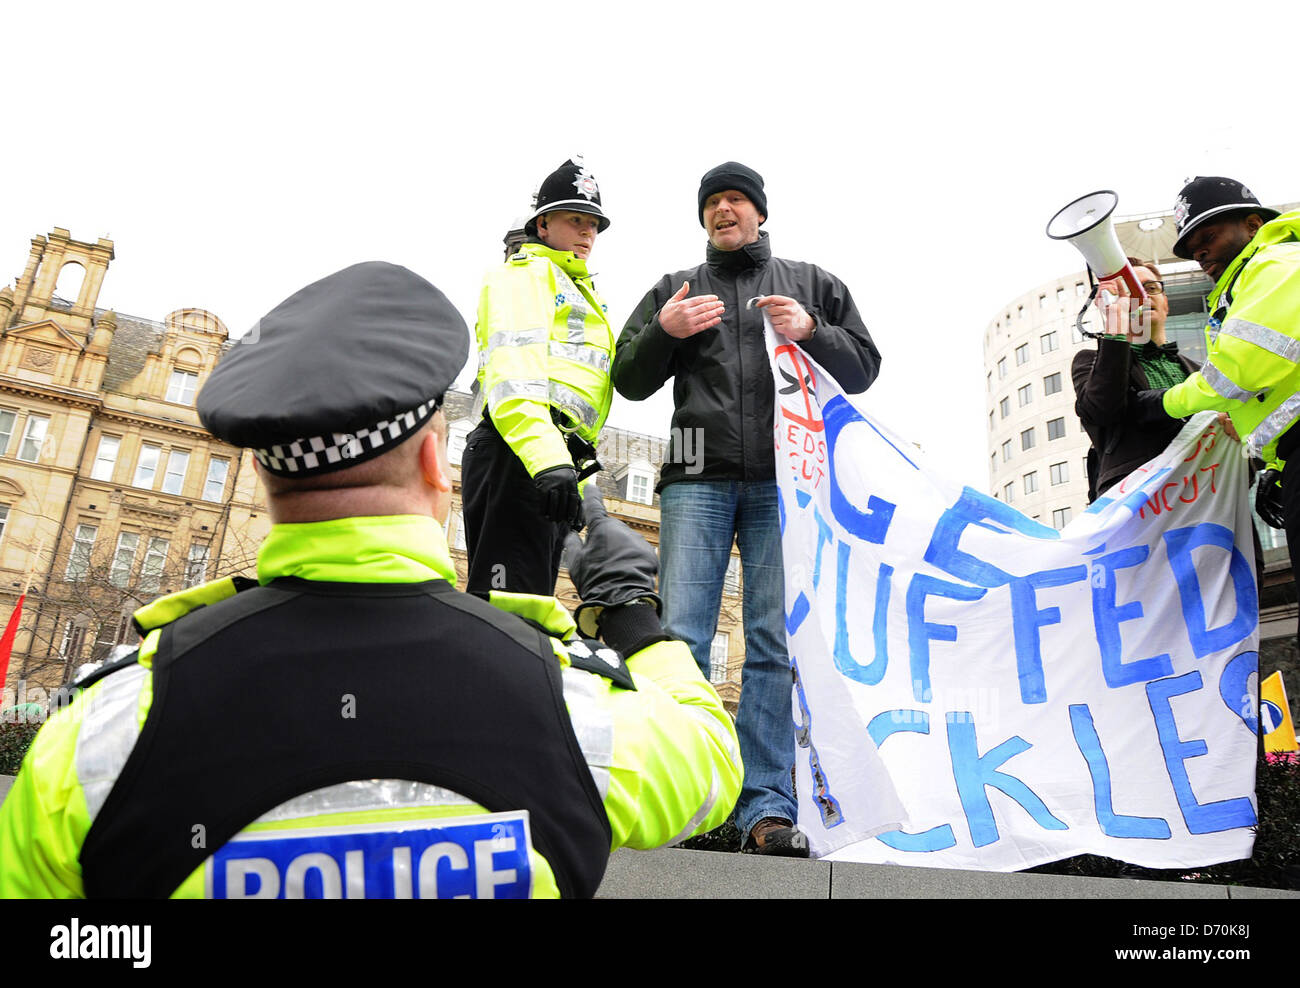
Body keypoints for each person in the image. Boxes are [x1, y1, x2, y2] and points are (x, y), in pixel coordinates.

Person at [0, 261, 741, 898]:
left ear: (260, 473)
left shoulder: (96, 738)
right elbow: (711, 763)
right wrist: (633, 617)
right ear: (432, 463)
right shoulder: (576, 711)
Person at [612, 161, 881, 856]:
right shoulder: (677, 289)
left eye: (735, 200)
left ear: (759, 212)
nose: (722, 210)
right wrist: (665, 330)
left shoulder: (811, 283)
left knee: (769, 644)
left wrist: (812, 329)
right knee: (679, 640)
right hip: (695, 479)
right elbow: (628, 379)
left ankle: (765, 810)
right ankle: (683, 803)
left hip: (783, 484)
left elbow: (863, 367)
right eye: (711, 203)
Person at [1151, 176, 1299, 636]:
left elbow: (1239, 369)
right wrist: (1275, 466)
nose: (1203, 254)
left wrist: (1165, 401)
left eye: (1209, 237)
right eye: (1194, 249)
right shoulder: (1248, 285)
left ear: (1254, 225)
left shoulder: (1277, 264)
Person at [462, 156, 615, 595]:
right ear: (543, 225)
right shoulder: (525, 276)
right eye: (576, 220)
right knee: (510, 611)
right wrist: (550, 463)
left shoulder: (577, 288)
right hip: (520, 454)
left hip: (543, 459)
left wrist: (573, 476)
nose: (588, 232)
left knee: (531, 610)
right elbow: (515, 381)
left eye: (594, 224)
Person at [1071, 256, 1200, 501]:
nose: (1143, 296)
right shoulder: (1088, 361)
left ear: (1166, 303)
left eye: (1151, 288)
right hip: (1139, 503)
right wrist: (1116, 326)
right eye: (1130, 290)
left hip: (1209, 494)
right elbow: (1102, 411)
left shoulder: (1201, 370)